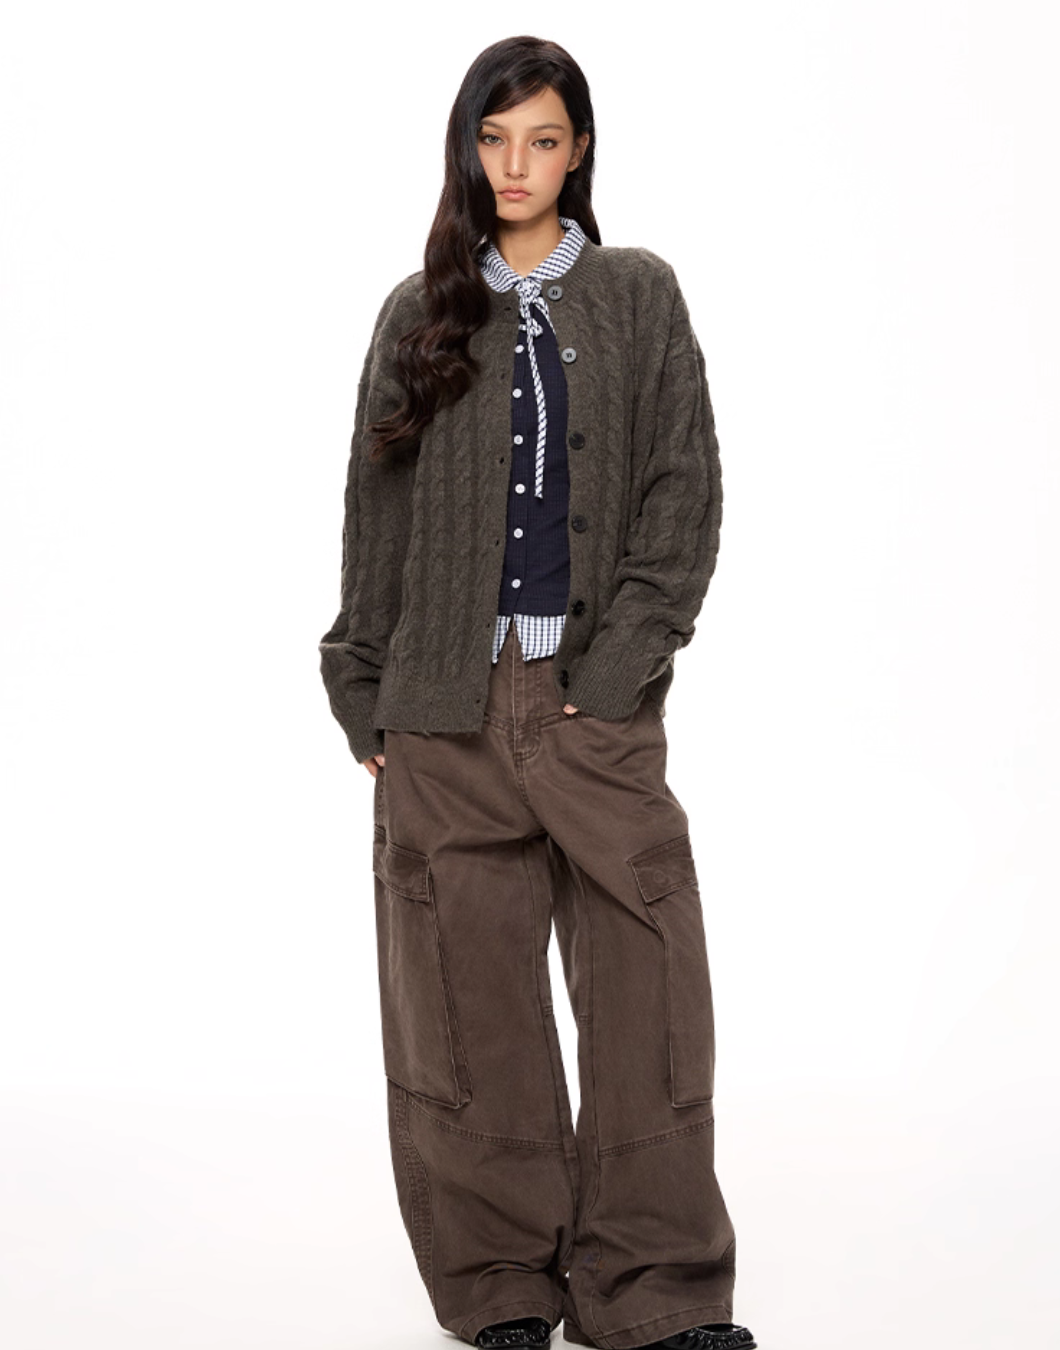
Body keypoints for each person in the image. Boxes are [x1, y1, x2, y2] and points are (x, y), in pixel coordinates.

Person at [317, 34, 758, 1350]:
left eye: (543, 140)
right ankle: (501, 1281)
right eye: (495, 139)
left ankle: (657, 1285)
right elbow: (377, 509)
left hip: (591, 702)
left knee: (647, 976)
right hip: (440, 709)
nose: (516, 165)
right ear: (469, 150)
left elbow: (684, 489)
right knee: (468, 995)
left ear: (580, 152)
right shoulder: (419, 310)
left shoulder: (636, 294)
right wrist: (365, 684)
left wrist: (618, 671)